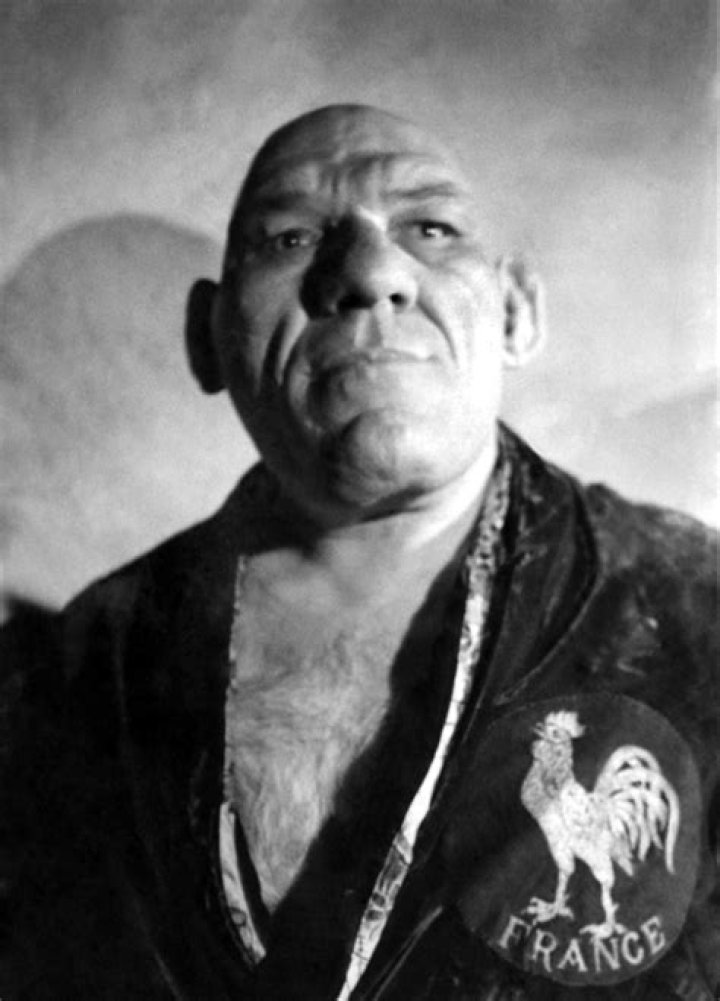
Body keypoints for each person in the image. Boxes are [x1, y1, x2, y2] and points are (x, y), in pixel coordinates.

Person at [3, 104, 718, 1001]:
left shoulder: (697, 617)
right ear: (207, 334)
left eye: (431, 227)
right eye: (292, 237)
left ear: (517, 310)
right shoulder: (65, 682)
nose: (371, 273)